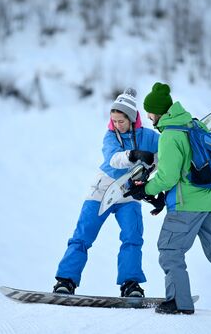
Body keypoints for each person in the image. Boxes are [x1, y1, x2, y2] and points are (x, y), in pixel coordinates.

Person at [127, 82, 211, 315]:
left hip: (186, 206)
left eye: (150, 113)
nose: (148, 117)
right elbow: (187, 169)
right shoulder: (193, 125)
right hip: (210, 203)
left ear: (157, 112)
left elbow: (168, 177)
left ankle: (179, 302)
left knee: (170, 250)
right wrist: (161, 199)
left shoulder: (170, 136)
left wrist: (145, 190)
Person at [53, 88, 160, 297]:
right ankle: (66, 280)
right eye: (114, 121)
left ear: (131, 118)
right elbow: (113, 158)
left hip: (128, 194)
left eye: (121, 121)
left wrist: (155, 163)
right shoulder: (110, 136)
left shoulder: (148, 136)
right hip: (102, 190)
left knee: (132, 238)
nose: (117, 125)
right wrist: (133, 154)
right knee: (82, 236)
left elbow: (166, 149)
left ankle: (131, 285)